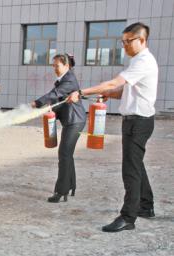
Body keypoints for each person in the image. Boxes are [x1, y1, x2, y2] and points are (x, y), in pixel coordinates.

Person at [67, 22, 158, 233]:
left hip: (138, 122)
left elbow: (112, 83)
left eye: (128, 41)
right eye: (122, 41)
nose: (124, 46)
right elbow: (126, 91)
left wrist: (81, 93)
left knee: (130, 169)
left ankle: (128, 217)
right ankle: (146, 206)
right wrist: (111, 94)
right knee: (136, 164)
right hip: (137, 121)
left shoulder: (143, 61)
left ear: (142, 40)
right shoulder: (138, 61)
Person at [31, 54, 86, 203]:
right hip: (71, 120)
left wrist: (38, 102)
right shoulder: (63, 79)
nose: (54, 68)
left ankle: (61, 191)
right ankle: (71, 185)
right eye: (53, 66)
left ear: (66, 66)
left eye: (57, 66)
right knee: (67, 154)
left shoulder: (69, 79)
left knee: (64, 154)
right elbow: (59, 99)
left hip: (75, 121)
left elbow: (55, 94)